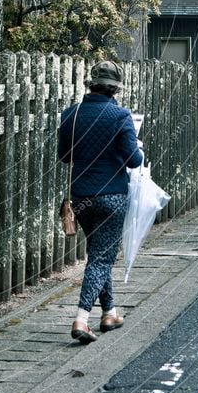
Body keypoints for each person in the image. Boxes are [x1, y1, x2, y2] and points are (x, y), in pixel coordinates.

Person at [58, 60, 143, 344]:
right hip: (112, 198)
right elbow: (134, 159)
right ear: (114, 89)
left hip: (81, 197)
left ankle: (110, 312)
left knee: (98, 254)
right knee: (102, 258)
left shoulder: (70, 114)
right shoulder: (120, 116)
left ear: (91, 85)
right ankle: (82, 319)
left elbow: (64, 157)